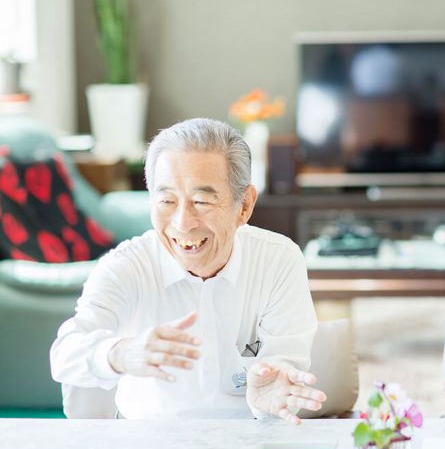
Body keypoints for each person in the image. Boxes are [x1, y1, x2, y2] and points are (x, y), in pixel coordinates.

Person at [50, 118, 326, 422]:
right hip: (146, 444)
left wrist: (270, 400)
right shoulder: (126, 266)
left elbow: (280, 375)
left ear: (244, 206)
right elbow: (65, 354)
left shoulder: (277, 259)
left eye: (201, 201)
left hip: (246, 440)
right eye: (167, 200)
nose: (182, 223)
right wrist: (118, 353)